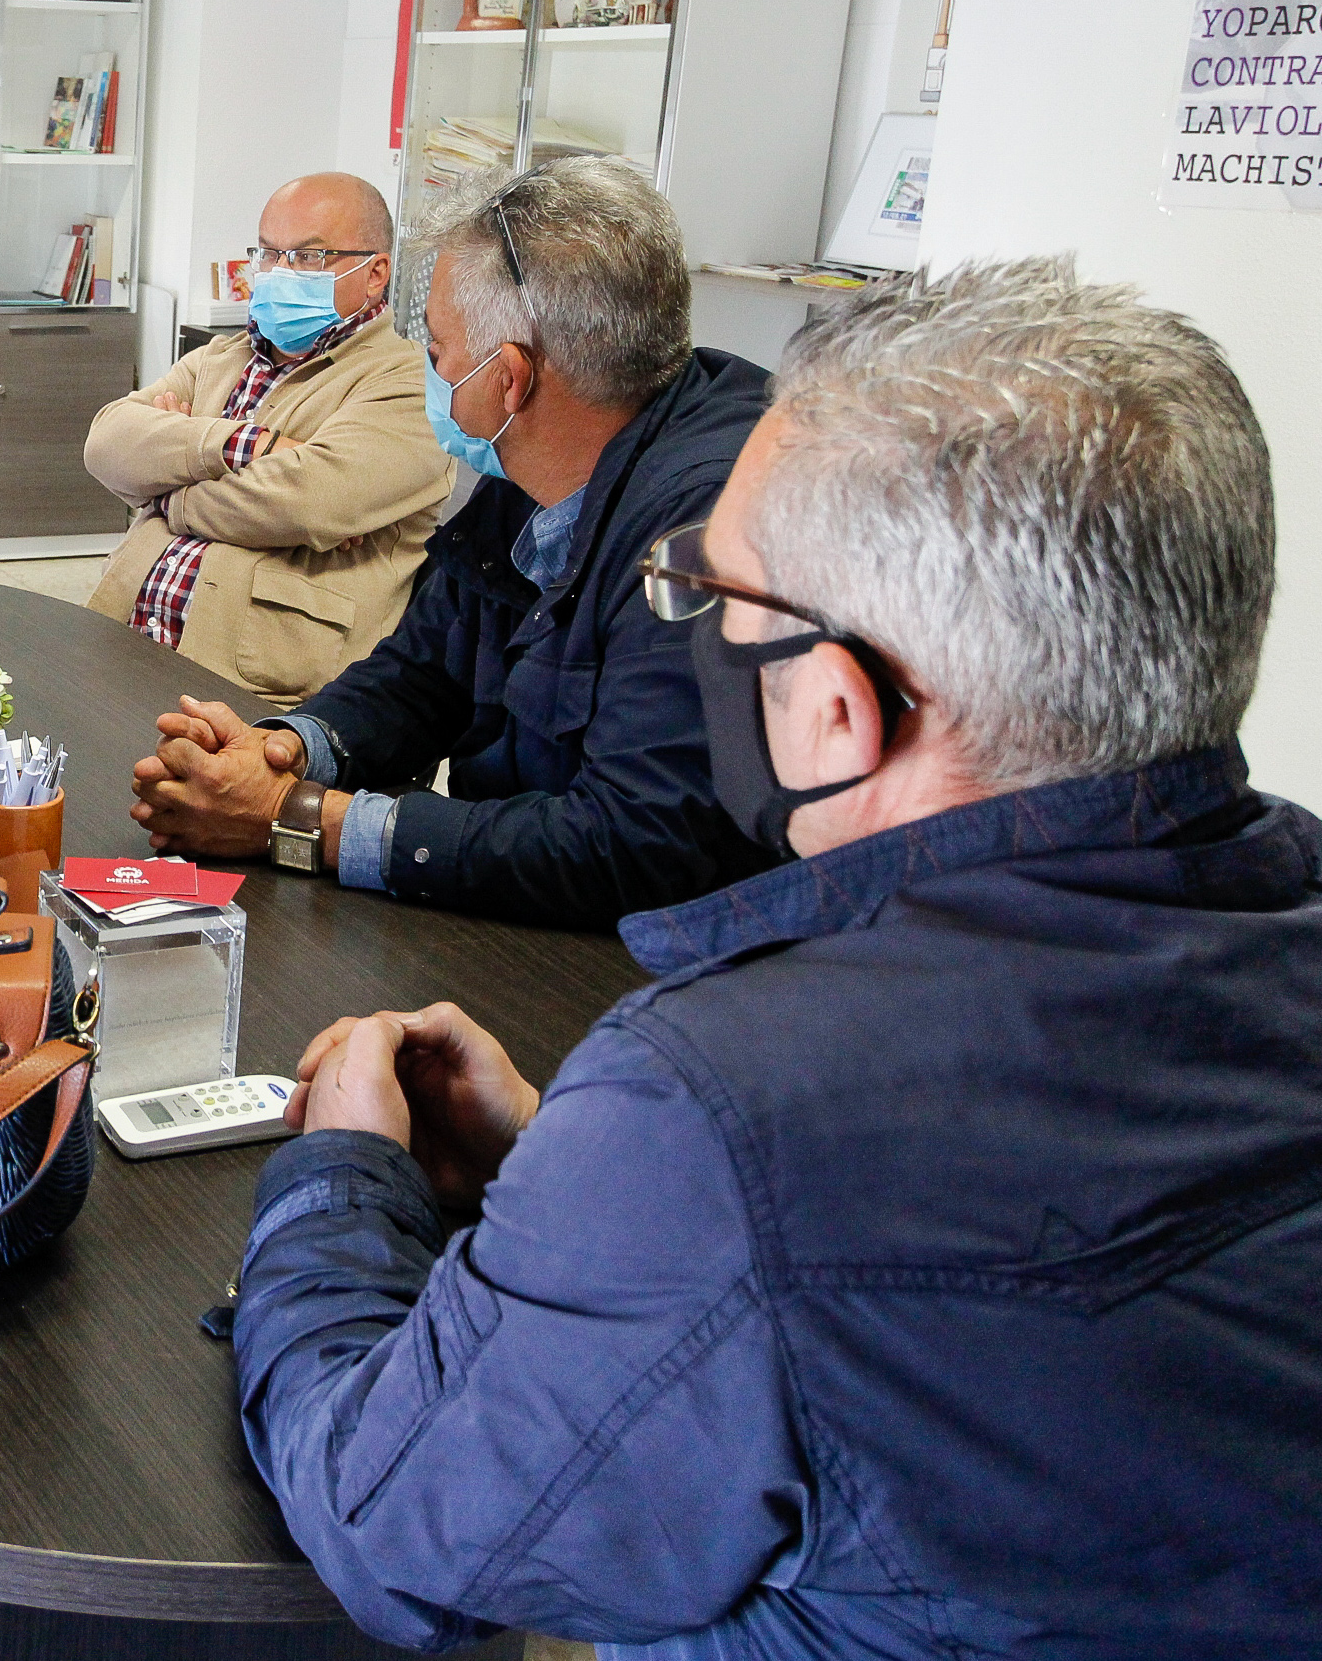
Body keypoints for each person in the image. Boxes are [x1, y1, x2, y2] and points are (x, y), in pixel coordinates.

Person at [233, 258, 1322, 1655]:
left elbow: (391, 1523)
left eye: (710, 600)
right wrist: (580, 1158)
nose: (693, 639)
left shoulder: (725, 1101)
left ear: (834, 706)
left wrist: (339, 1176)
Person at [130, 158, 772, 928]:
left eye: (435, 348)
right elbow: (423, 672)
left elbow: (629, 842)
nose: (427, 367)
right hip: (514, 909)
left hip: (630, 962)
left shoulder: (709, 528)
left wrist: (295, 815)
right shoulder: (543, 450)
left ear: (510, 380)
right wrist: (285, 753)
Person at [84, 172, 450, 704]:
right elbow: (107, 444)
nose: (278, 273)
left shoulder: (410, 383)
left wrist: (167, 494)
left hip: (254, 692)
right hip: (122, 639)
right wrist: (245, 447)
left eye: (308, 257)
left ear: (375, 274)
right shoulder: (221, 357)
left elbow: (308, 502)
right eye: (268, 253)